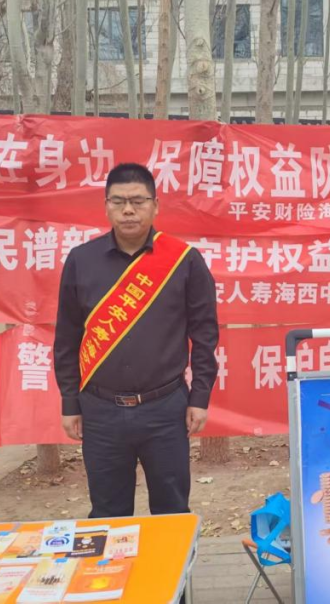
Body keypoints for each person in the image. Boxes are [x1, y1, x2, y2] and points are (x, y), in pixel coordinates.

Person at [53, 162, 219, 519]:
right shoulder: (81, 260)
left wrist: (200, 396)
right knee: (108, 514)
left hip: (166, 408)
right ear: (106, 206)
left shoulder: (184, 261)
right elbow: (67, 338)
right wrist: (70, 401)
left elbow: (205, 334)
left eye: (138, 201)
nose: (128, 210)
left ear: (155, 206)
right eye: (119, 201)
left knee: (172, 512)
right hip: (100, 410)